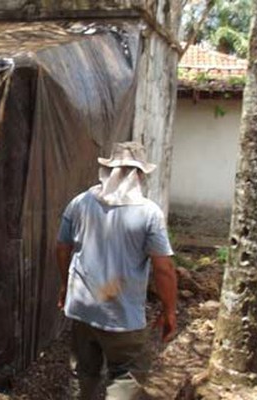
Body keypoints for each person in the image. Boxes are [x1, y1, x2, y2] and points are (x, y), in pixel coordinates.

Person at [56, 141, 177, 400]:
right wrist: (169, 311)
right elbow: (164, 268)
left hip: (82, 309)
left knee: (83, 373)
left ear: (108, 170)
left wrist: (65, 286)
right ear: (140, 175)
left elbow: (62, 248)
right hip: (122, 317)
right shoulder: (149, 214)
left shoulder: (79, 203)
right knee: (126, 374)